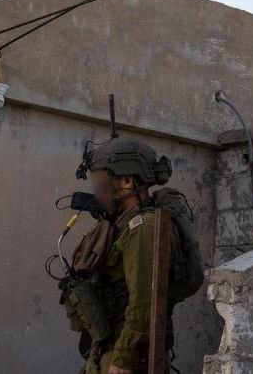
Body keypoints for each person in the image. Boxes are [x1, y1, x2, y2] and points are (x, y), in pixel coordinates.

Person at [61, 138, 200, 374]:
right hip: (109, 350)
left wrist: (123, 359)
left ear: (126, 181)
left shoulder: (144, 228)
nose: (97, 191)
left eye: (101, 182)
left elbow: (145, 300)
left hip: (128, 358)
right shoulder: (121, 224)